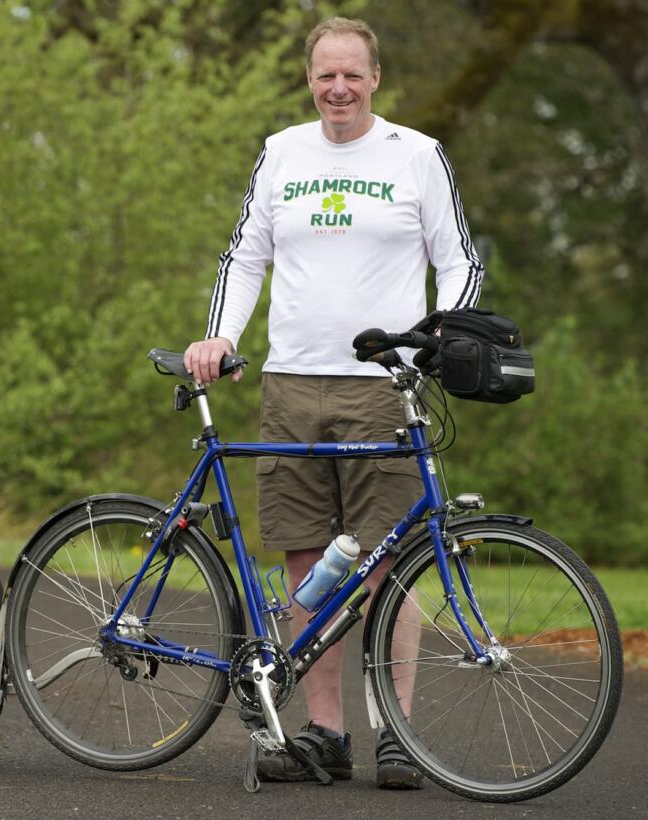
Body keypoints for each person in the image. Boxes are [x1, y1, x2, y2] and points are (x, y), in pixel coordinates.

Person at [183, 17, 483, 787]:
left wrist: (434, 339)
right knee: (307, 554)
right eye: (325, 76)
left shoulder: (416, 155)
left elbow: (459, 262)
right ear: (309, 80)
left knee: (390, 563)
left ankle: (396, 734)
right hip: (291, 381)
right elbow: (245, 254)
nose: (339, 88)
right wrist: (218, 337)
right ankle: (324, 733)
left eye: (352, 74)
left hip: (384, 385)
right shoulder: (283, 152)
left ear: (375, 78)